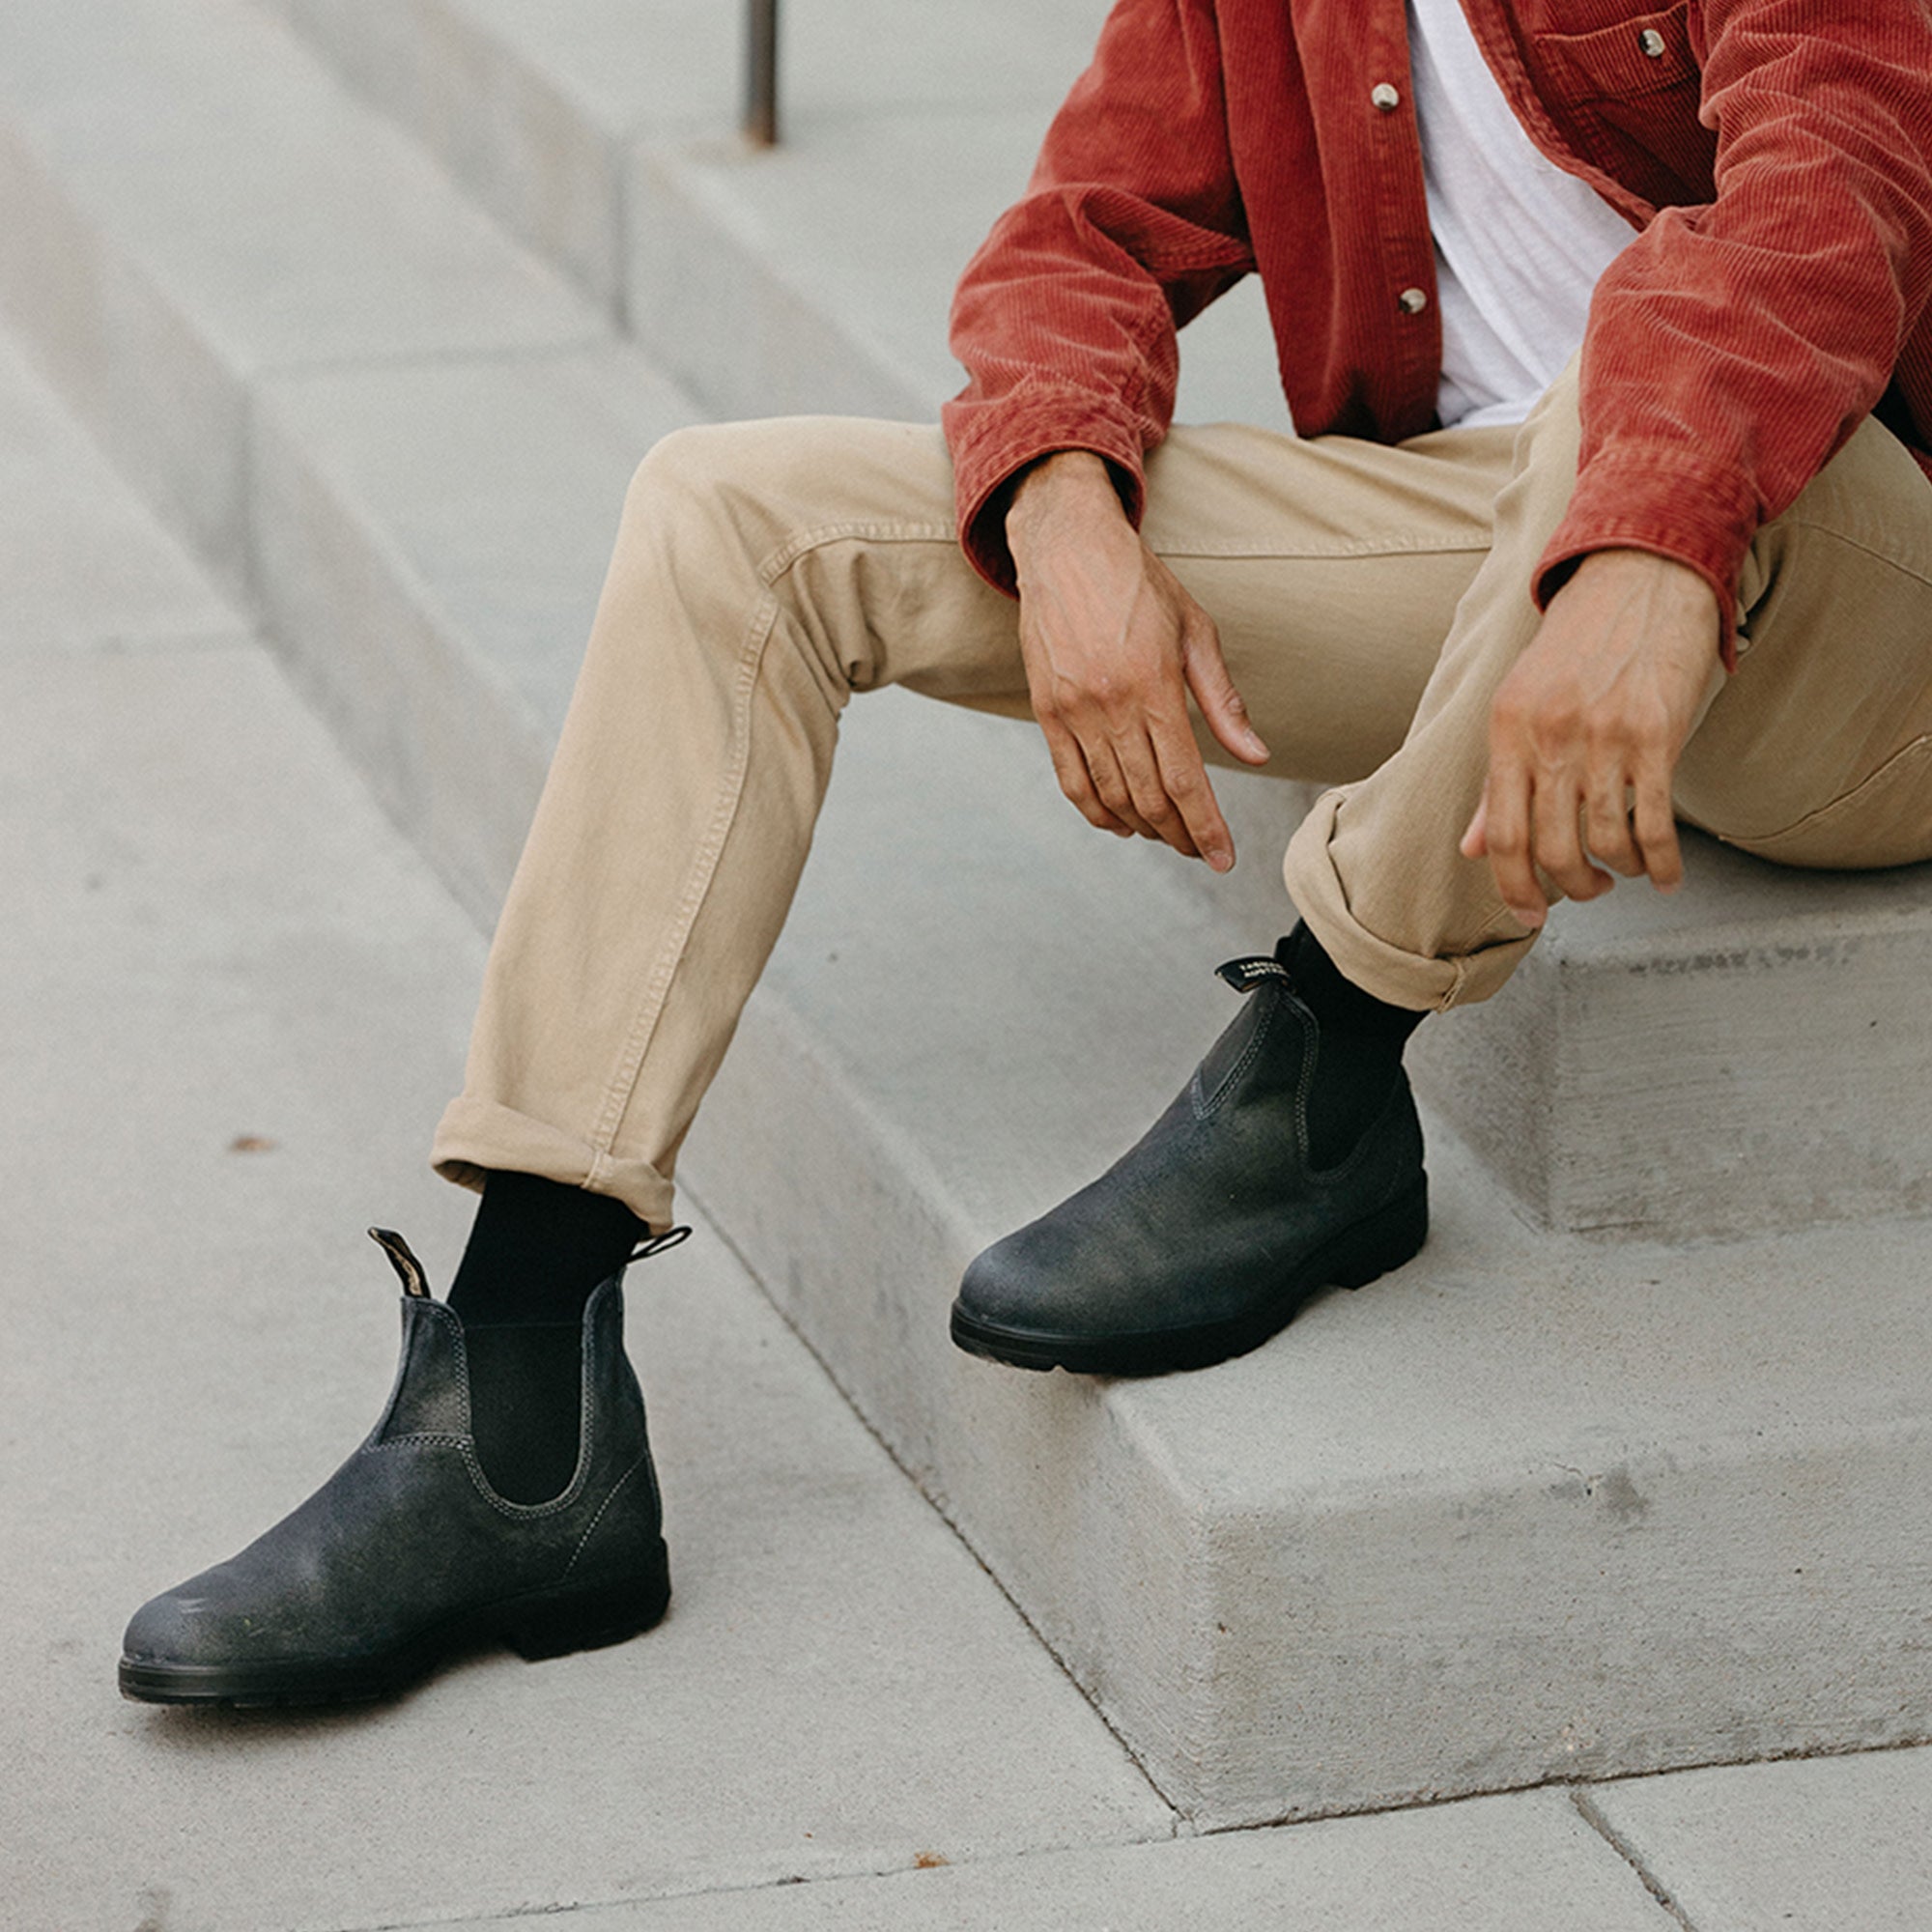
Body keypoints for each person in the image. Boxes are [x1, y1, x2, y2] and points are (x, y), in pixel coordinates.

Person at [120, 0, 1932, 1705]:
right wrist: (1066, 506)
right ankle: (521, 1399)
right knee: (733, 518)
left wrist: (1646, 535)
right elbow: (1080, 227)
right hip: (1497, 547)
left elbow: (1832, 184)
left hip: (1828, 585)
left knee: (1645, 369)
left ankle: (1329, 1060)